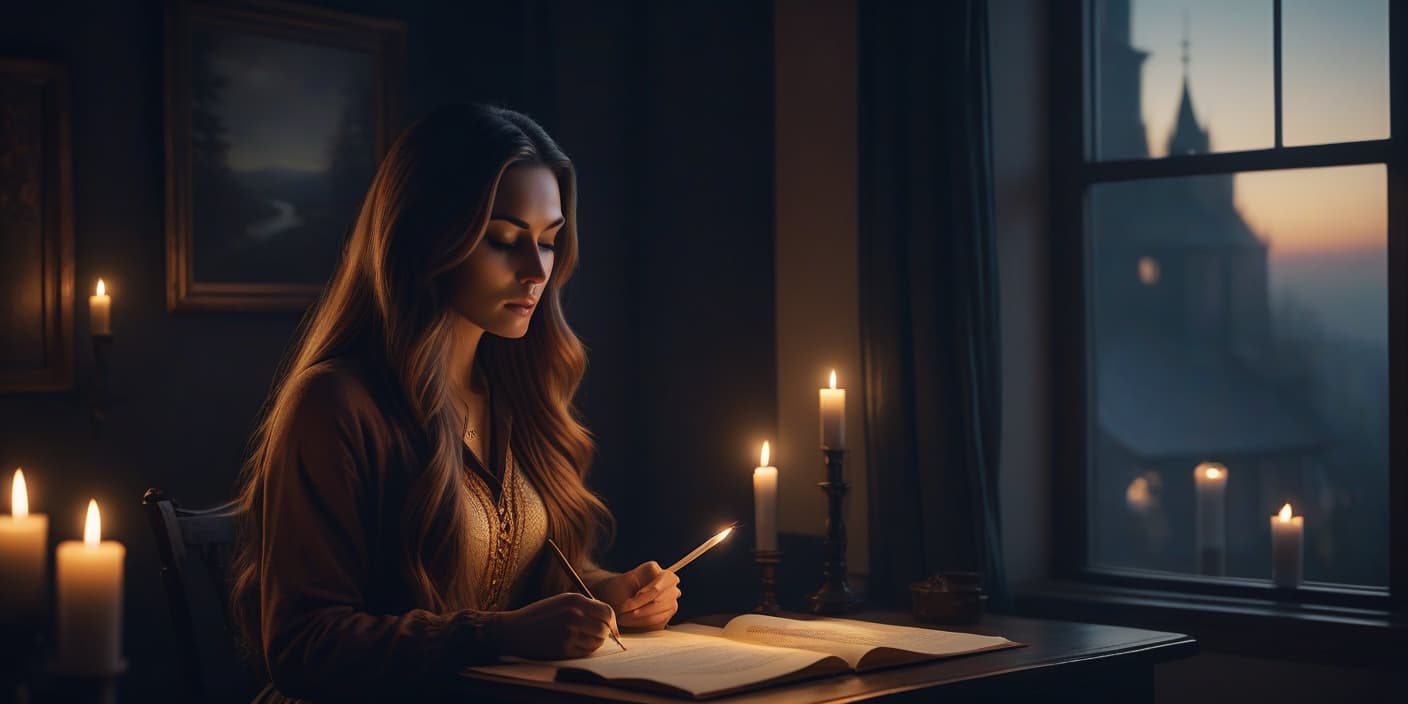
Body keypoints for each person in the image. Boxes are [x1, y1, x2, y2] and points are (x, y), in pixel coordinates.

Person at [228, 104, 681, 703]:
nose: (535, 271)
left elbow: (529, 576)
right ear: (427, 238)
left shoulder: (518, 397)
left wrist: (607, 594)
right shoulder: (337, 405)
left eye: (548, 242)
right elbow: (303, 645)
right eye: (503, 240)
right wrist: (499, 635)